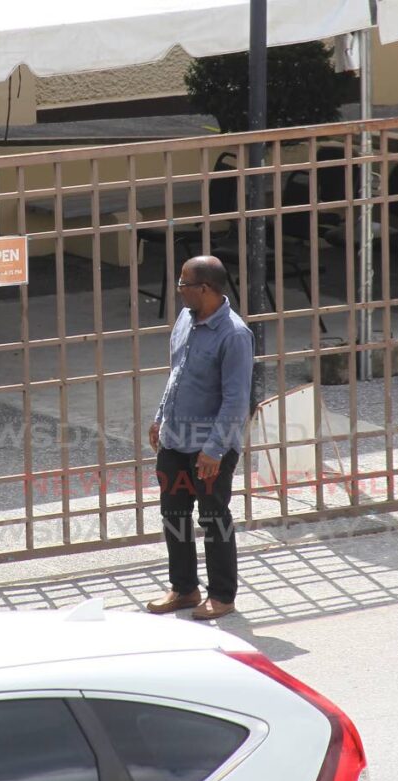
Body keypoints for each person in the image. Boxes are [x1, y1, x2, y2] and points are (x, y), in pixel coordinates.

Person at [147, 256, 254, 621]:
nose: (178, 291)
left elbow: (236, 399)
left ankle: (222, 594)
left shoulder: (234, 335)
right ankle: (184, 588)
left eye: (183, 284)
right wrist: (160, 416)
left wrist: (214, 449)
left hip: (211, 446)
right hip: (175, 439)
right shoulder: (186, 319)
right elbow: (177, 373)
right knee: (173, 514)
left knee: (213, 517)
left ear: (204, 289)